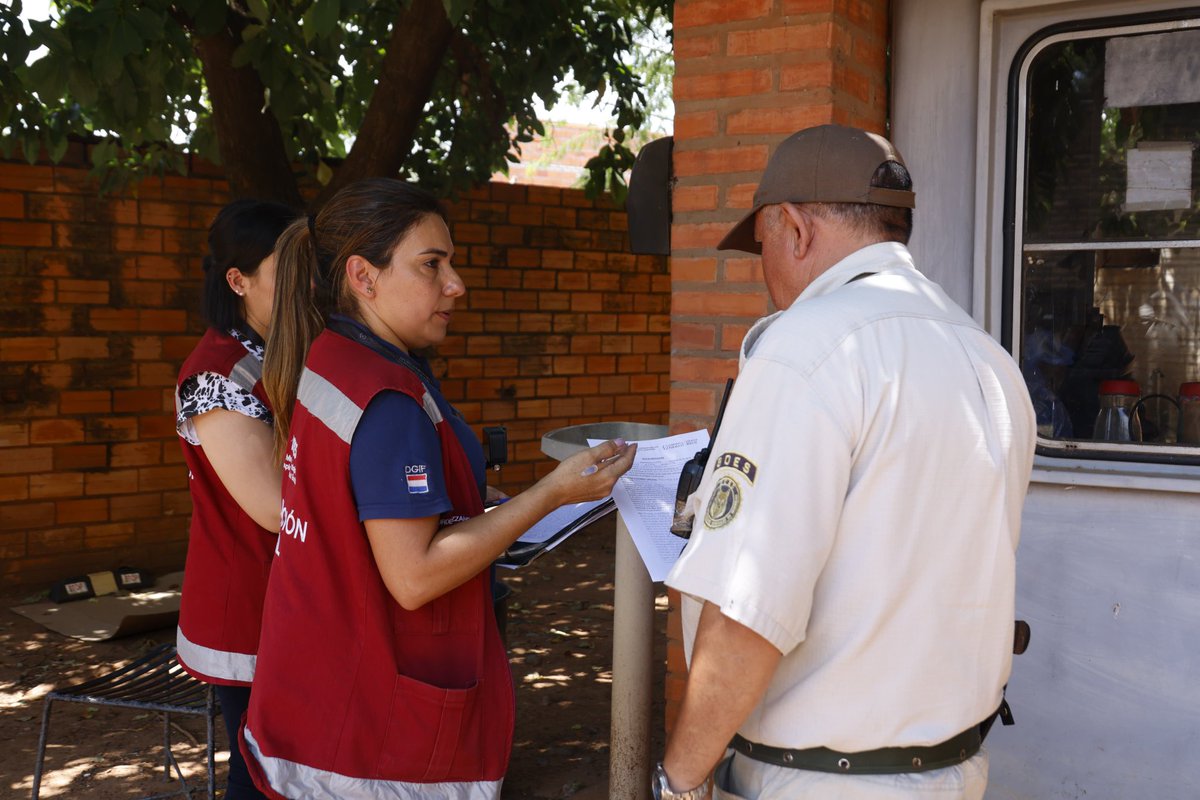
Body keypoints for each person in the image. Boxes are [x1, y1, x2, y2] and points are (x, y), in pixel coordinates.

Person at [656, 125, 1037, 800]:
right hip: (954, 770)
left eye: (763, 245)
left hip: (821, 781)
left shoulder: (803, 348)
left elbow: (747, 609)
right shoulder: (986, 356)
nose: (765, 270)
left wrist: (679, 780)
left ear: (796, 231)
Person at [242, 178, 636, 799]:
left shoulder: (328, 355)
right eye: (432, 265)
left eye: (450, 263)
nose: (456, 284)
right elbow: (414, 575)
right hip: (374, 735)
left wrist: (482, 512)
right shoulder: (388, 400)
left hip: (316, 690)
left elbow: (362, 512)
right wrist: (550, 495)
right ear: (363, 277)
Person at [174, 198, 299, 799]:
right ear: (238, 280)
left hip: (286, 601)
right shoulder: (216, 378)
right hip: (247, 608)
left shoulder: (279, 352)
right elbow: (276, 507)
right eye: (290, 272)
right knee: (261, 775)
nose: (309, 287)